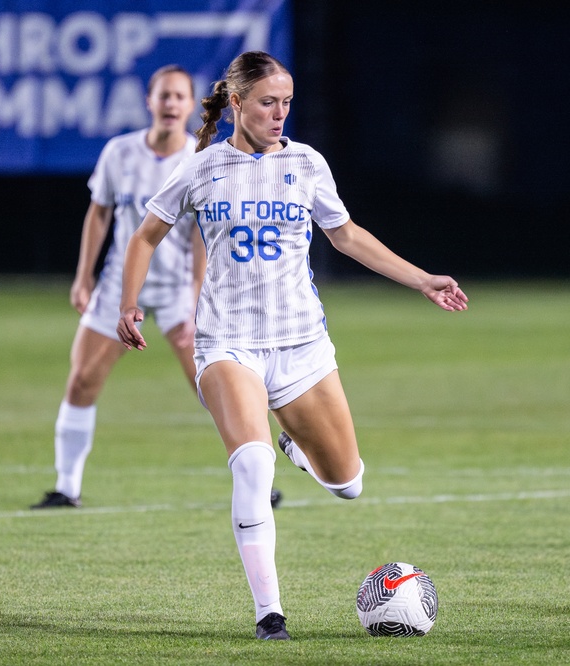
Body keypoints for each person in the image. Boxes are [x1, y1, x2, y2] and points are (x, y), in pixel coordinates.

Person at [116, 51, 468, 640]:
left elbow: (348, 236)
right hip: (228, 343)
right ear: (236, 103)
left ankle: (298, 447)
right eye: (266, 102)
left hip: (302, 345)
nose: (280, 114)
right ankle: (269, 614)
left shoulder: (306, 164)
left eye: (287, 103)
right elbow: (145, 235)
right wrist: (130, 303)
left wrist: (422, 278)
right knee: (251, 464)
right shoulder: (202, 168)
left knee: (349, 483)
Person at [30, 65, 205, 510]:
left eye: (179, 96)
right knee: (83, 380)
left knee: (215, 388)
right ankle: (67, 488)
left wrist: (198, 297)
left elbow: (204, 232)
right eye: (163, 95)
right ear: (149, 101)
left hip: (178, 289)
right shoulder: (119, 153)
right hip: (119, 286)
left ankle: (257, 480)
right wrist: (83, 275)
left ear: (191, 105)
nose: (170, 104)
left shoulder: (200, 159)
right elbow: (99, 213)